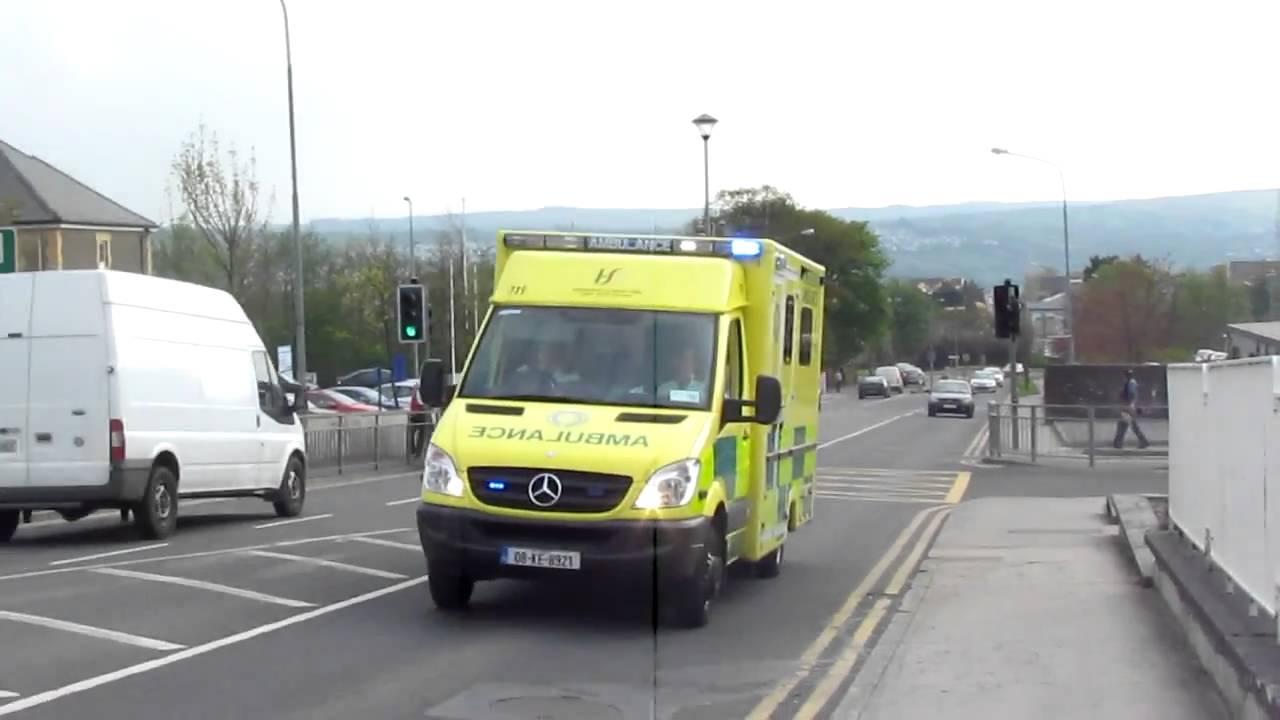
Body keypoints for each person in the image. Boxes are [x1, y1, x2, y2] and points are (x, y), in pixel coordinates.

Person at [1113, 369, 1150, 449]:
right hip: (1127, 407)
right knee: (1124, 424)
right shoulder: (1131, 383)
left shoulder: (1130, 384)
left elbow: (1132, 395)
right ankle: (1117, 443)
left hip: (1128, 408)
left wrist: (1131, 405)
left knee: (1128, 425)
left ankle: (1118, 443)